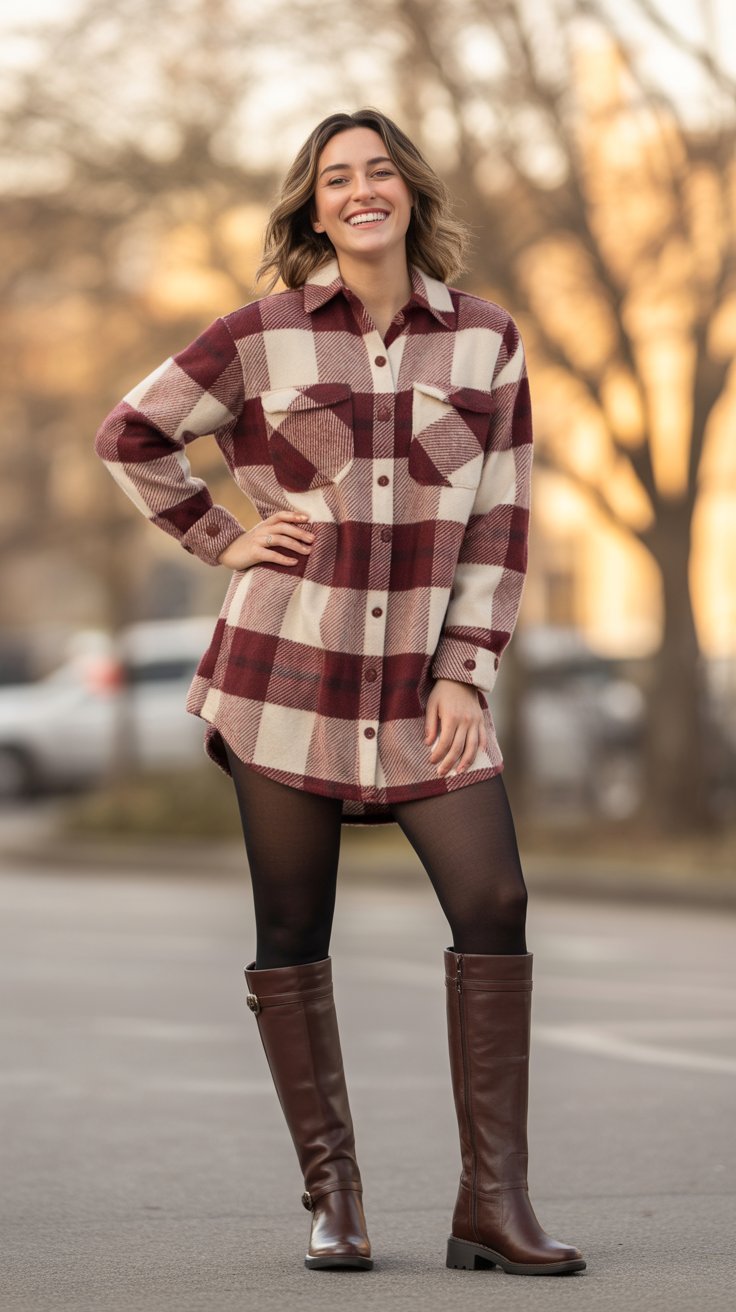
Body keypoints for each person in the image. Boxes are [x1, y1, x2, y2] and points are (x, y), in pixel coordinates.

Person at [94, 107, 586, 1277]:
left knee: (495, 900)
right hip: (285, 675)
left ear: (408, 192)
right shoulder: (258, 337)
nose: (360, 191)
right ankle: (335, 1199)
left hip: (426, 684)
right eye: (336, 178)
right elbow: (131, 434)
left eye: (378, 172)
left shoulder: (486, 341)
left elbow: (503, 522)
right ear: (313, 207)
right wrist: (221, 536)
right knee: (289, 925)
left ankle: (493, 1205)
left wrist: (468, 667)